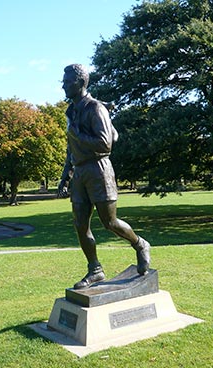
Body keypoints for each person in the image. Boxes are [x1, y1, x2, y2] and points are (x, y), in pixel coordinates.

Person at [58, 64, 150, 290]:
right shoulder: (71, 111)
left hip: (99, 169)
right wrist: (65, 177)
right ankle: (95, 269)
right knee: (80, 224)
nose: (63, 85)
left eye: (67, 81)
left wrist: (76, 134)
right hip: (80, 172)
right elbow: (72, 148)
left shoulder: (95, 108)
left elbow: (105, 143)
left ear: (80, 83)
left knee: (109, 222)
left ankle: (140, 244)